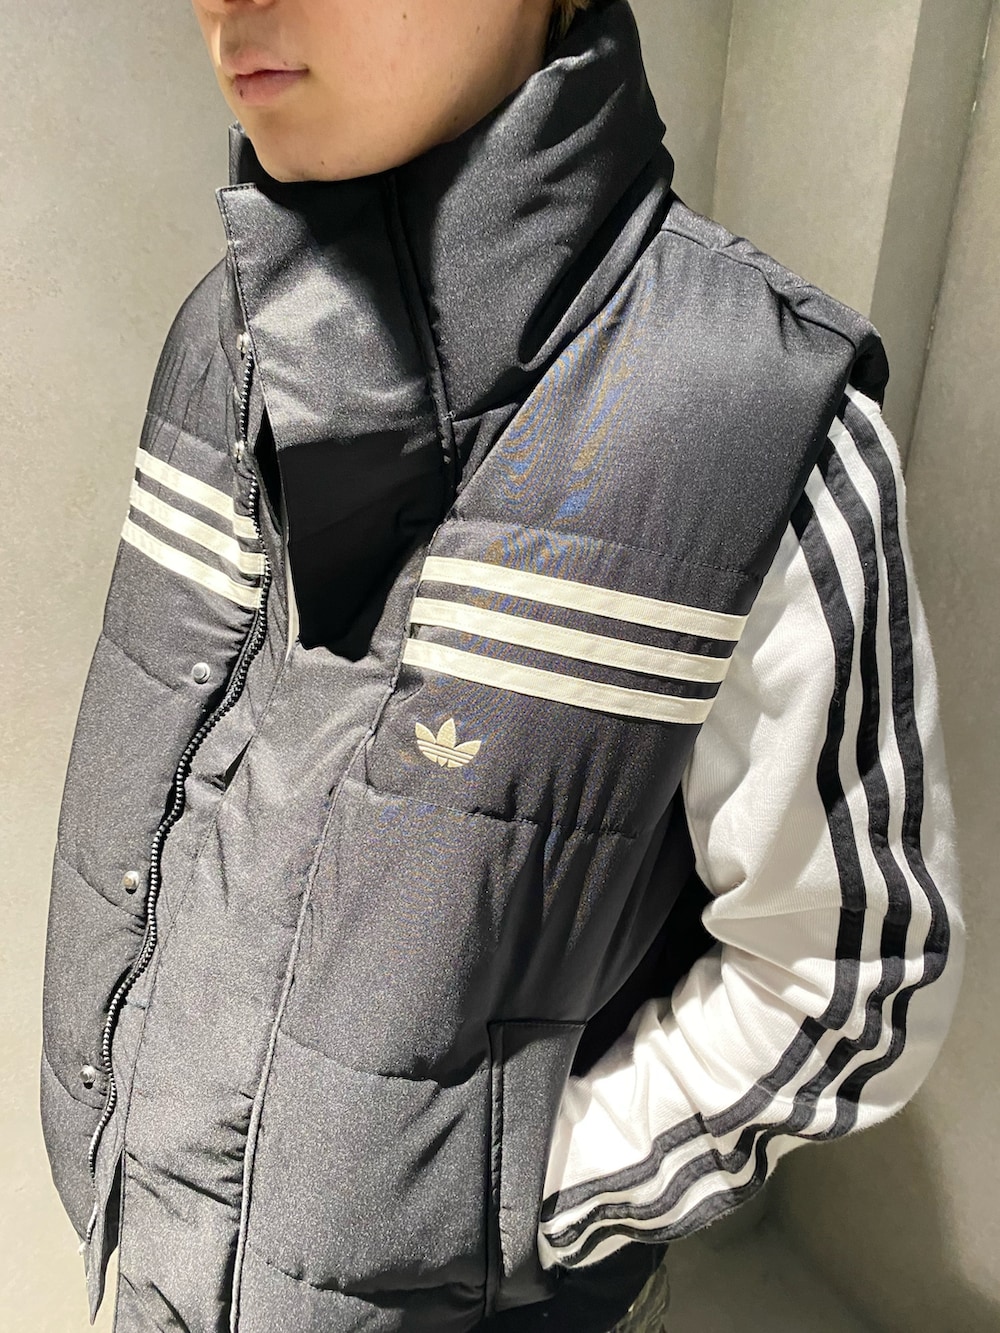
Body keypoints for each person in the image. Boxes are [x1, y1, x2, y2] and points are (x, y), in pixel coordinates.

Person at [38, 2, 965, 1331]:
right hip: (150, 1266)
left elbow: (849, 980)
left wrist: (485, 1212)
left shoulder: (749, 422)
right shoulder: (222, 333)